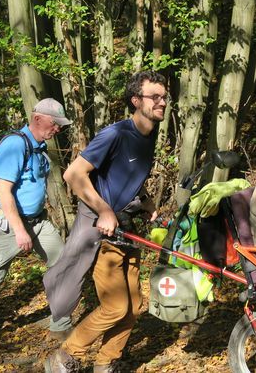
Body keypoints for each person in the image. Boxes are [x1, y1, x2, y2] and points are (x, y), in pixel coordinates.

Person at [44, 70, 166, 372]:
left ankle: (106, 362)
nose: (162, 102)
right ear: (136, 100)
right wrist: (105, 210)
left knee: (134, 306)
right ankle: (64, 356)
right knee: (115, 306)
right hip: (102, 231)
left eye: (164, 96)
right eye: (155, 97)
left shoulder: (148, 136)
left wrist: (148, 205)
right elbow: (73, 174)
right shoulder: (116, 134)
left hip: (126, 229)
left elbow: (127, 178)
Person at [0, 98, 72, 338]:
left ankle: (61, 326)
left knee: (62, 265)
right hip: (10, 225)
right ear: (37, 119)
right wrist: (20, 230)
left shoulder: (39, 147)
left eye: (61, 126)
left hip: (38, 222)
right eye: (55, 124)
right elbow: (3, 191)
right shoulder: (15, 145)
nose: (58, 129)